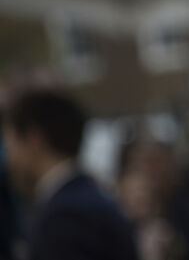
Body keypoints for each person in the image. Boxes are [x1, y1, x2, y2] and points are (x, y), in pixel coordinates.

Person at [1, 88, 138, 260]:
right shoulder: (85, 201)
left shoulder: (65, 217)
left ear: (34, 140)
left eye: (10, 145)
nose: (8, 159)